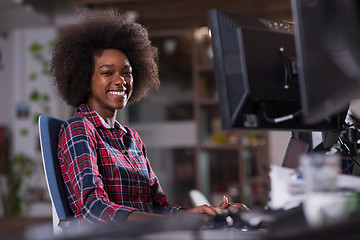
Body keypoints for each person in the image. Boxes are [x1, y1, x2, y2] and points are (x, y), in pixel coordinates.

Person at [51, 8, 248, 228]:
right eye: (107, 73)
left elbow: (158, 206)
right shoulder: (79, 128)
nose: (120, 81)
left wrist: (206, 213)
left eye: (127, 72)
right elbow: (94, 208)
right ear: (85, 79)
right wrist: (169, 224)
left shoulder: (132, 138)